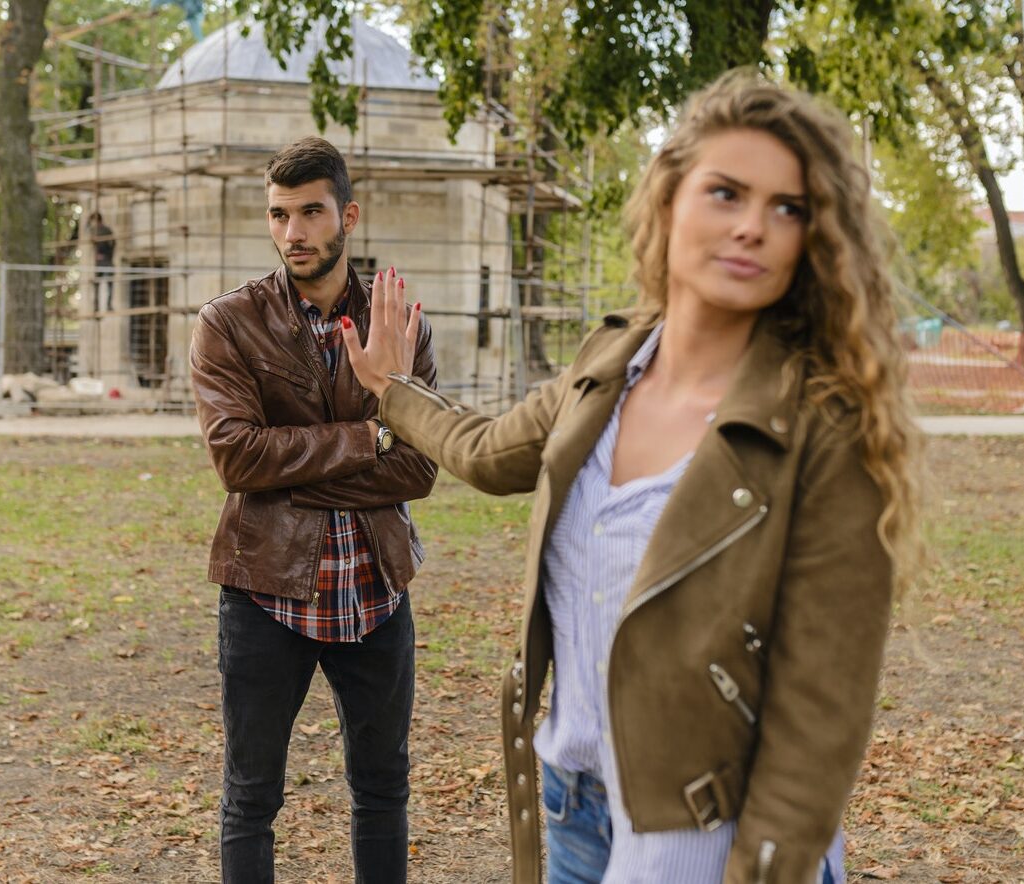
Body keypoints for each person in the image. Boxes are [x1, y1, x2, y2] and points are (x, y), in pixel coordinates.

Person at [339, 72, 922, 884]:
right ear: (670, 198)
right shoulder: (609, 363)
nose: (753, 227)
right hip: (574, 804)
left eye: (787, 208)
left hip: (706, 829)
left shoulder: (822, 424)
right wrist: (390, 392)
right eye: (726, 193)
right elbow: (486, 450)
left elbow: (821, 712)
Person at [189, 136, 438, 884]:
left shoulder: (401, 321)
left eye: (310, 212)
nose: (292, 232)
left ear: (347, 215)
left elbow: (421, 467)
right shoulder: (229, 323)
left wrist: (288, 468)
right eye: (278, 215)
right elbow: (237, 458)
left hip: (376, 592)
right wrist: (371, 433)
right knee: (251, 797)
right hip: (266, 594)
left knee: (383, 791)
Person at [88, 212, 115, 311]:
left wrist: (106, 256)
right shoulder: (93, 231)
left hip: (105, 260)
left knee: (109, 283)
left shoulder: (104, 230)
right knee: (98, 284)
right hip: (101, 261)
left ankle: (106, 305)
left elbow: (112, 244)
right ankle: (98, 306)